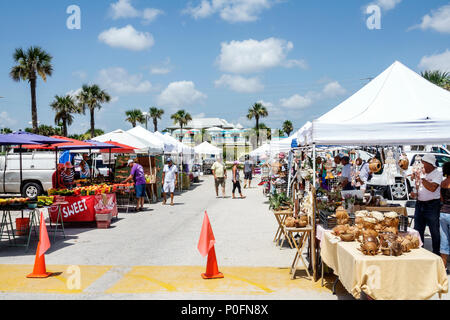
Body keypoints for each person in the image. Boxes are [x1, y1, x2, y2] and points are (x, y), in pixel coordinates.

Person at [411, 154, 442, 256]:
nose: (422, 166)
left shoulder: (437, 174)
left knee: (434, 230)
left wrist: (422, 179)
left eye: (424, 164)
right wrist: (414, 193)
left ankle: (436, 253)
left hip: (432, 205)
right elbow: (418, 188)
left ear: (430, 164)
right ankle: (420, 253)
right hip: (420, 204)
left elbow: (432, 188)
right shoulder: (422, 173)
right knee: (418, 230)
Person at [440, 161, 450, 273]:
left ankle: (444, 266)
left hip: (443, 213)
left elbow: (441, 199)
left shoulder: (443, 183)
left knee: (444, 240)